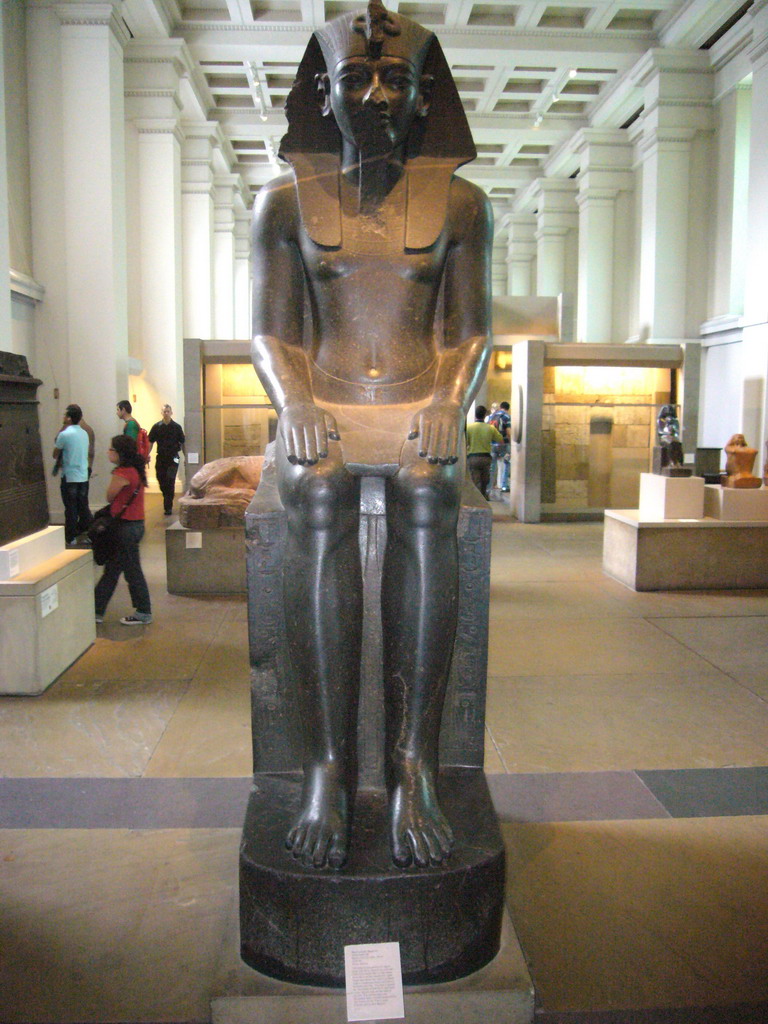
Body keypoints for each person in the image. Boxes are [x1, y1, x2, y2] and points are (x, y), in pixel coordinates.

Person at [251, 0, 492, 870]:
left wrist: (449, 402)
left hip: (418, 395)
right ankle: (324, 766)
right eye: (357, 77)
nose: (378, 92)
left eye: (397, 77)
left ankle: (413, 766)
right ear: (326, 90)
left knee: (428, 490)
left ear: (426, 94)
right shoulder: (284, 204)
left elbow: (467, 333)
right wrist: (295, 402)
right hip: (327, 395)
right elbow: (272, 333)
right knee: (316, 491)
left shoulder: (462, 205)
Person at [93, 434, 152, 626]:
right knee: (113, 570)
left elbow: (110, 497)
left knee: (131, 571)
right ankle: (96, 610)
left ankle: (143, 611)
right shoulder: (135, 469)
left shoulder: (123, 473)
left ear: (120, 453)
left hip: (125, 527)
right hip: (134, 525)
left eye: (112, 449)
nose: (108, 452)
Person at [53, 404, 93, 545]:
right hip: (83, 475)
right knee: (83, 506)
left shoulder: (65, 434)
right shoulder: (84, 433)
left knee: (70, 508)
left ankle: (71, 538)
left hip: (70, 476)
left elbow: (55, 454)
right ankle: (90, 534)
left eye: (65, 415)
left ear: (69, 418)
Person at [148, 404, 186, 515]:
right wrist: (146, 454)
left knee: (171, 480)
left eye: (168, 411)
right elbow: (150, 442)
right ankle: (167, 496)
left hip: (174, 457)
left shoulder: (176, 427)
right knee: (161, 478)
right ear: (162, 413)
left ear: (171, 413)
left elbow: (183, 443)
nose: (166, 413)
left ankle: (168, 505)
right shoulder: (157, 427)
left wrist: (186, 458)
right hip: (161, 457)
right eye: (164, 411)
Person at [466, 405, 503, 500]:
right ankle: (483, 497)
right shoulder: (490, 428)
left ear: (475, 415)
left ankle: (475, 499)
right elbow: (500, 440)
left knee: (474, 479)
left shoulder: (469, 427)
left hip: (473, 457)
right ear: (484, 415)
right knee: (485, 480)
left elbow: (465, 442)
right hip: (486, 457)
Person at [489, 400, 511, 493]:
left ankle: (489, 487)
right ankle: (504, 486)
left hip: (492, 444)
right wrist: (510, 441)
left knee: (492, 466)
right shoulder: (506, 416)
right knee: (507, 463)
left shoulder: (492, 416)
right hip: (503, 444)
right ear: (507, 409)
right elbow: (508, 431)